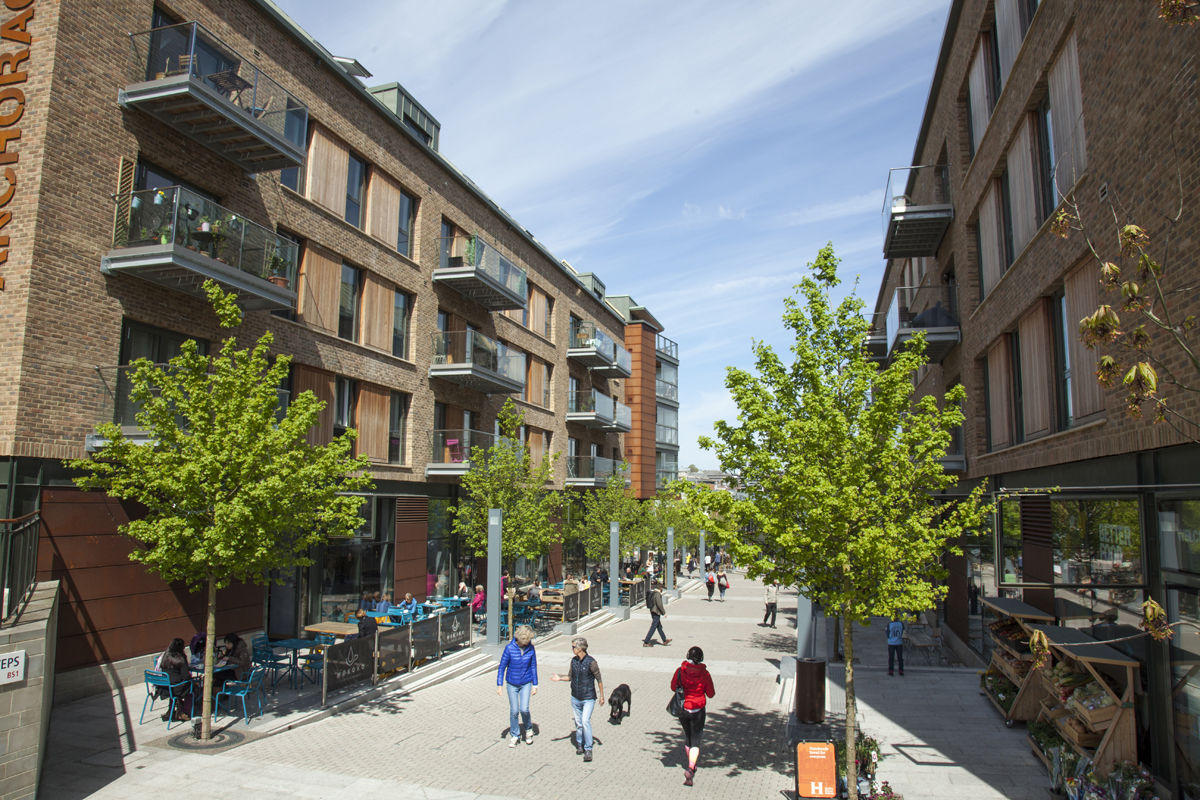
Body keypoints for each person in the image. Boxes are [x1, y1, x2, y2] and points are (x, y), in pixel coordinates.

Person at [550, 637, 605, 762]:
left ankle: (588, 749)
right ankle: (580, 744)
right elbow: (570, 677)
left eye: (573, 647)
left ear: (580, 648)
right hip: (575, 697)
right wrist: (559, 678)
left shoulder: (591, 662)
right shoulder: (574, 661)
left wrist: (602, 695)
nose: (572, 649)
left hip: (588, 698)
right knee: (579, 723)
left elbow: (599, 679)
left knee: (585, 721)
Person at [672, 646, 715, 786]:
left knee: (688, 737)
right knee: (696, 740)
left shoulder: (680, 671)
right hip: (698, 710)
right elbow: (711, 694)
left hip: (683, 709)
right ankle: (691, 768)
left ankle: (692, 763)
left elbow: (673, 687)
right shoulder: (705, 674)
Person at [496, 625, 538, 747]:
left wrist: (535, 685)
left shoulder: (530, 649)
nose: (525, 644)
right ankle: (515, 735)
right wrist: (500, 685)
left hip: (526, 682)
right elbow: (502, 667)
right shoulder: (509, 648)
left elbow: (533, 667)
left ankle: (529, 730)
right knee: (514, 710)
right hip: (512, 683)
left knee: (524, 709)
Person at [158, 638, 193, 721]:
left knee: (174, 688)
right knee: (192, 688)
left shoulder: (165, 657)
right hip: (176, 687)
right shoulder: (180, 658)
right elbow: (186, 677)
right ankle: (184, 712)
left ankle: (170, 711)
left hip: (165, 687)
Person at [643, 582, 672, 647]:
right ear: (661, 588)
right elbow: (659, 604)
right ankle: (646, 642)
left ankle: (664, 640)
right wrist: (664, 613)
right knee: (653, 627)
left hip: (653, 611)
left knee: (659, 627)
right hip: (656, 612)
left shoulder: (653, 593)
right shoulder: (657, 594)